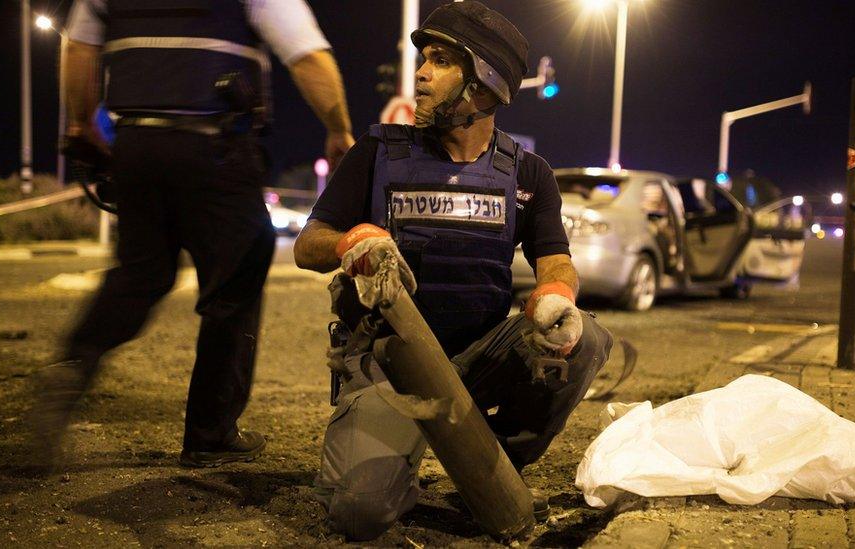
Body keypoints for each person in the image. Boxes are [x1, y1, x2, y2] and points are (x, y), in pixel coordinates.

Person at [293, 1, 614, 540]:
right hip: (388, 360)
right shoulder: (378, 150)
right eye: (425, 58)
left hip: (477, 356)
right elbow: (308, 244)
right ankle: (398, 455)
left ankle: (486, 457)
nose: (420, 73)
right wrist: (353, 240)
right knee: (360, 515)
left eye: (440, 61)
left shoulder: (528, 172)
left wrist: (556, 293)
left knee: (584, 341)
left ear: (484, 86)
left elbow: (554, 257)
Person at [31, 0, 354, 469]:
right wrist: (338, 130)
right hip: (215, 145)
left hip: (137, 144)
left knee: (142, 274)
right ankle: (211, 433)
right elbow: (307, 56)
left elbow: (79, 48)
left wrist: (81, 125)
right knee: (235, 281)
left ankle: (73, 363)